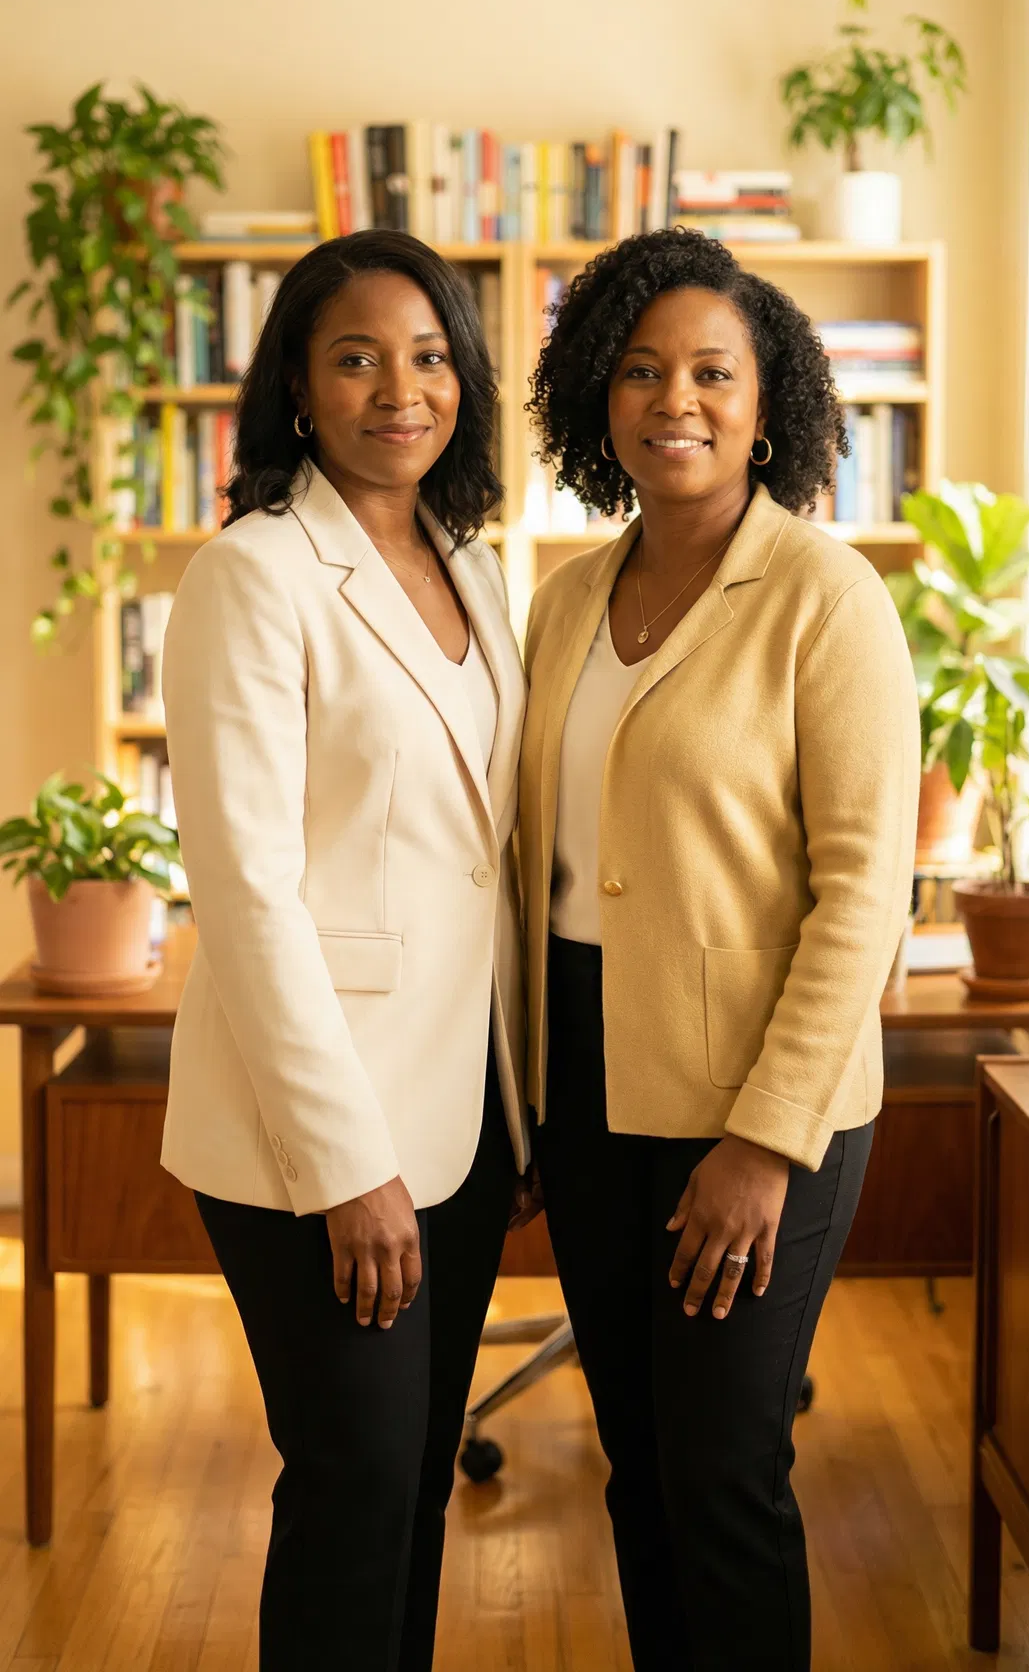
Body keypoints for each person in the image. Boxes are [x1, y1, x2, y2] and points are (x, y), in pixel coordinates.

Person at [518, 227, 919, 1671]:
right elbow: (534, 871)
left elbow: (866, 889)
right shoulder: (564, 601)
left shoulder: (827, 597)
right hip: (586, 1079)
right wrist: (516, 1101)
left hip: (760, 1103)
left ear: (770, 402)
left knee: (726, 1475)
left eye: (710, 372)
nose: (672, 399)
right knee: (640, 1462)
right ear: (596, 399)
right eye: (639, 371)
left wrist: (762, 1144)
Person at [160, 229, 533, 1672]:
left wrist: (515, 1103)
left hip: (460, 1117)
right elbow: (245, 893)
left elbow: (478, 867)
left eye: (431, 355)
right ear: (299, 393)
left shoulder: (472, 568)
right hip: (318, 1138)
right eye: (358, 358)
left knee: (411, 1491)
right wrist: (347, 1168)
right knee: (355, 1485)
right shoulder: (253, 575)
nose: (402, 389)